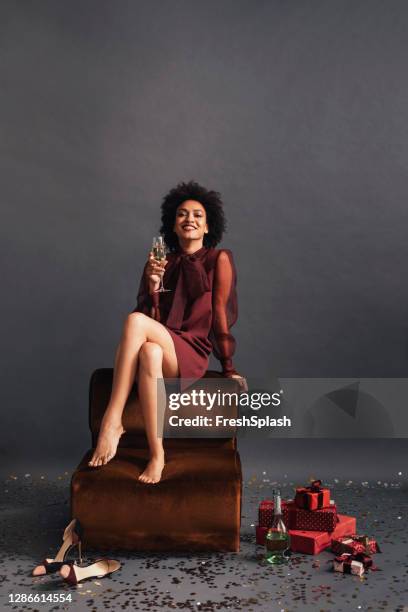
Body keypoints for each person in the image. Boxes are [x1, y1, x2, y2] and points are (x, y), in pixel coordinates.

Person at [88, 180, 245, 484]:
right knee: (149, 350)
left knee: (134, 321)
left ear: (208, 226)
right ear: (173, 225)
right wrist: (153, 288)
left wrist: (228, 366)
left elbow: (221, 316)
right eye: (182, 214)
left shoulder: (218, 259)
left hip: (192, 350)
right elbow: (153, 320)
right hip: (165, 345)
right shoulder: (162, 261)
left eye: (198, 215)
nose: (190, 219)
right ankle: (157, 454)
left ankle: (112, 419)